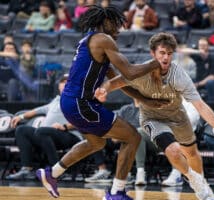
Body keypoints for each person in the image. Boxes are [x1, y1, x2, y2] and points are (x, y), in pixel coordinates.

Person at [35, 6, 164, 200]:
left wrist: (145, 99)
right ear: (104, 22)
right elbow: (130, 72)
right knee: (132, 137)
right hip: (80, 103)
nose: (119, 28)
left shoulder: (91, 42)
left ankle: (51, 174)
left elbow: (120, 80)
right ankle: (116, 193)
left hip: (72, 102)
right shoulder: (103, 39)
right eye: (115, 22)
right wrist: (157, 62)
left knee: (96, 142)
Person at [96, 32, 214, 200]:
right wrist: (104, 89)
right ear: (153, 53)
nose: (166, 57)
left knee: (192, 153)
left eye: (169, 53)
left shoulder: (179, 75)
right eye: (162, 53)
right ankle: (198, 185)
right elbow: (115, 82)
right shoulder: (140, 72)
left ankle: (201, 183)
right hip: (152, 118)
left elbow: (201, 106)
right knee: (173, 150)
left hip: (177, 116)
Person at [6, 75, 82, 180]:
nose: (65, 84)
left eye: (68, 82)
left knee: (42, 131)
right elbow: (36, 111)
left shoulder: (78, 100)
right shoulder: (55, 102)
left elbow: (83, 121)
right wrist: (21, 116)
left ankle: (56, 170)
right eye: (63, 82)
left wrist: (65, 126)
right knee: (21, 130)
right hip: (46, 135)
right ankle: (27, 169)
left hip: (69, 135)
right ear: (59, 86)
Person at [179, 37, 214, 102]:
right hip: (196, 80)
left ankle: (212, 104)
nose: (202, 47)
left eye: (204, 45)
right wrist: (197, 51)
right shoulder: (196, 56)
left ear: (208, 46)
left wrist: (198, 84)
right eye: (200, 45)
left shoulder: (213, 58)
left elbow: (212, 77)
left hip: (206, 82)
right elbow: (181, 51)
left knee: (211, 82)